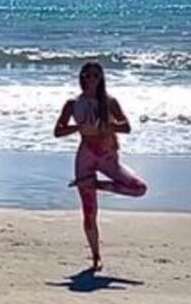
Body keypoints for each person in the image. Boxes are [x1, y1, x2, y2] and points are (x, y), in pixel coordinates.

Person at [54, 62, 147, 270]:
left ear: (101, 78)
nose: (91, 79)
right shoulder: (73, 103)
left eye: (95, 75)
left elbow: (126, 127)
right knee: (89, 212)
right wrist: (79, 127)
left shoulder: (109, 101)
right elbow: (58, 131)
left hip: (107, 156)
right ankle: (95, 255)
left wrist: (107, 126)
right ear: (82, 77)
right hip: (86, 154)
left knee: (139, 188)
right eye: (87, 75)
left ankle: (96, 185)